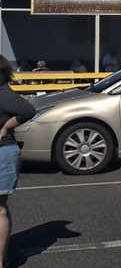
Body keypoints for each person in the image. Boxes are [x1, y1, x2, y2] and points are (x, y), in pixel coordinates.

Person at [0, 55, 36, 267]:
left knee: (0, 209)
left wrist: (6, 127)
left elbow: (28, 111)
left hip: (3, 152)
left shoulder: (2, 92)